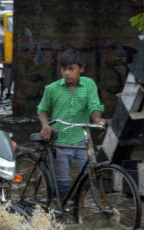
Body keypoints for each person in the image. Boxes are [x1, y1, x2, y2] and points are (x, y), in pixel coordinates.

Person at [37, 48, 106, 201]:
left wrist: (96, 119)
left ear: (81, 69)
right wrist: (45, 125)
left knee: (91, 174)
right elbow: (42, 110)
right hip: (60, 142)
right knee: (63, 181)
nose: (67, 73)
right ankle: (61, 207)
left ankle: (81, 205)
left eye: (71, 69)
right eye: (64, 69)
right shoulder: (52, 89)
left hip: (81, 139)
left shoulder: (89, 85)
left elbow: (94, 105)